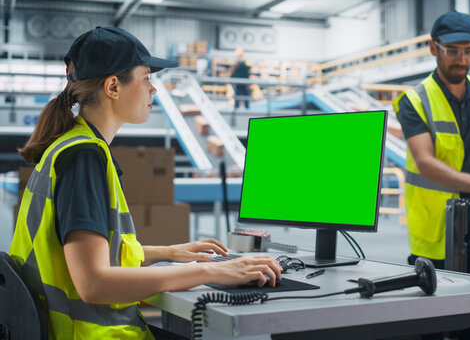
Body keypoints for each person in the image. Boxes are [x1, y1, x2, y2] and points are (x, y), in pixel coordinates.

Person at [9, 27, 282, 340]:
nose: (153, 90)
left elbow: (94, 254)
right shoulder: (84, 156)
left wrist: (169, 251)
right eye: (146, 77)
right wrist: (212, 271)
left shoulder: (73, 146)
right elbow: (93, 283)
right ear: (113, 86)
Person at [393, 11, 470, 340]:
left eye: (469, 50)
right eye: (453, 51)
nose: (462, 60)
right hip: (436, 230)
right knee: (431, 324)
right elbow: (425, 162)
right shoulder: (414, 101)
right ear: (433, 48)